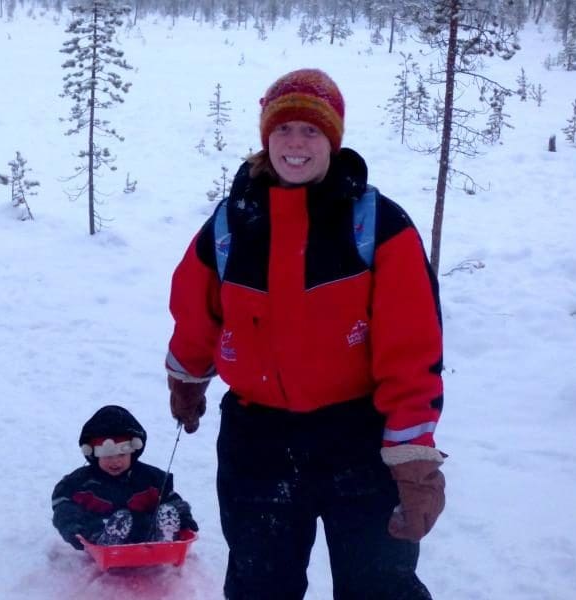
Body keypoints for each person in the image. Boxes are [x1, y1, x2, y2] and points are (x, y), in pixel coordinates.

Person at [165, 68, 445, 599]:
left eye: (311, 131)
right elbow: (195, 312)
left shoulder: (378, 226)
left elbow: (413, 352)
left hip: (359, 438)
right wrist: (187, 379)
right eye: (284, 129)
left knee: (378, 586)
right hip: (258, 440)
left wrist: (413, 456)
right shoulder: (233, 223)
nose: (295, 144)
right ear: (266, 136)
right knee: (259, 585)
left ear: (333, 139)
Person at [51, 405, 198, 550]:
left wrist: (183, 516)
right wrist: (71, 526)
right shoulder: (81, 482)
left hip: (143, 531)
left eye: (122, 454)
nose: (115, 461)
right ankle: (103, 541)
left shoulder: (151, 478)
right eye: (108, 456)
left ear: (133, 453)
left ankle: (163, 537)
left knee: (164, 511)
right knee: (72, 515)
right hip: (98, 529)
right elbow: (61, 501)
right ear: (94, 455)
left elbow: (170, 498)